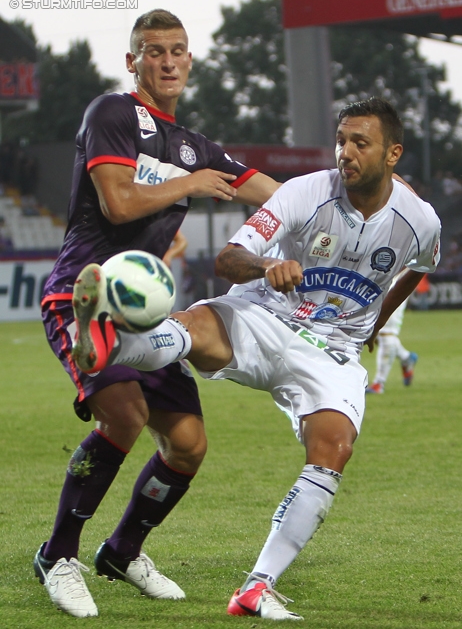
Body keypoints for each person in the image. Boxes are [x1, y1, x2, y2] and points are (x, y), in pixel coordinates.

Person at [71, 97, 441, 620]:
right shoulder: (303, 193)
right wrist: (266, 265)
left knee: (333, 448)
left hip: (332, 350)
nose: (346, 152)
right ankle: (106, 346)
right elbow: (228, 257)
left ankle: (256, 587)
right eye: (341, 141)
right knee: (197, 328)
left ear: (393, 153)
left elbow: (418, 268)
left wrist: (374, 324)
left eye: (361, 143)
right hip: (268, 316)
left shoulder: (420, 221)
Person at [35, 9, 279, 619]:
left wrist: (354, 200)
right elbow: (117, 203)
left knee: (188, 445)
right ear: (132, 61)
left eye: (177, 51)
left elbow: (278, 195)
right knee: (124, 414)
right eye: (154, 51)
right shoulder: (113, 114)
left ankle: (121, 552)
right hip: (83, 297)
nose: (168, 61)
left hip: (141, 319)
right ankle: (58, 554)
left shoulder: (197, 145)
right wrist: (190, 182)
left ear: (190, 60)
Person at [365, 274, 418, 394]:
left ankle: (379, 383)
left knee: (385, 332)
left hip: (397, 278)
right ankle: (406, 357)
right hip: (378, 277)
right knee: (374, 331)